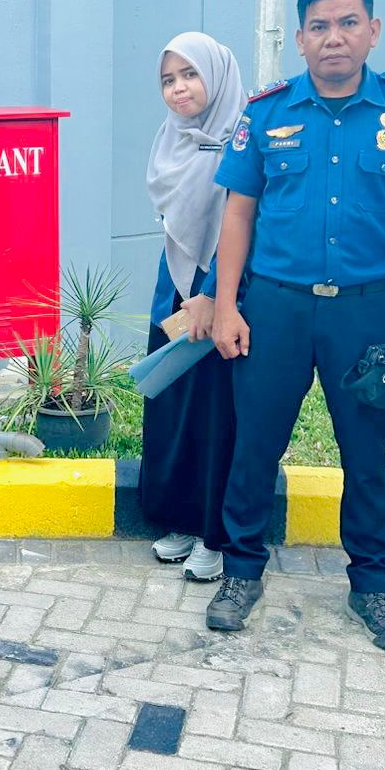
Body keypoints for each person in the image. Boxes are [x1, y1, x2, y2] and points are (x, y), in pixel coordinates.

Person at [208, 0, 385, 649]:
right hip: (275, 309)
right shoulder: (267, 113)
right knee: (255, 443)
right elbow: (238, 214)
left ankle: (373, 585)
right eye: (319, 26)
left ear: (372, 31)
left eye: (348, 23)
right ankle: (241, 570)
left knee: (366, 450)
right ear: (300, 39)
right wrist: (227, 305)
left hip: (366, 312)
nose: (334, 38)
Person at [141, 33, 246, 583]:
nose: (179, 88)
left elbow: (247, 223)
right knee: (173, 407)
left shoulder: (243, 138)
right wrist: (185, 294)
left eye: (190, 74)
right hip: (175, 289)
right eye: (168, 80)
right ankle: (179, 518)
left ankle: (215, 534)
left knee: (217, 413)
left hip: (226, 294)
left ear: (217, 76)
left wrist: (213, 294)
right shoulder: (171, 139)